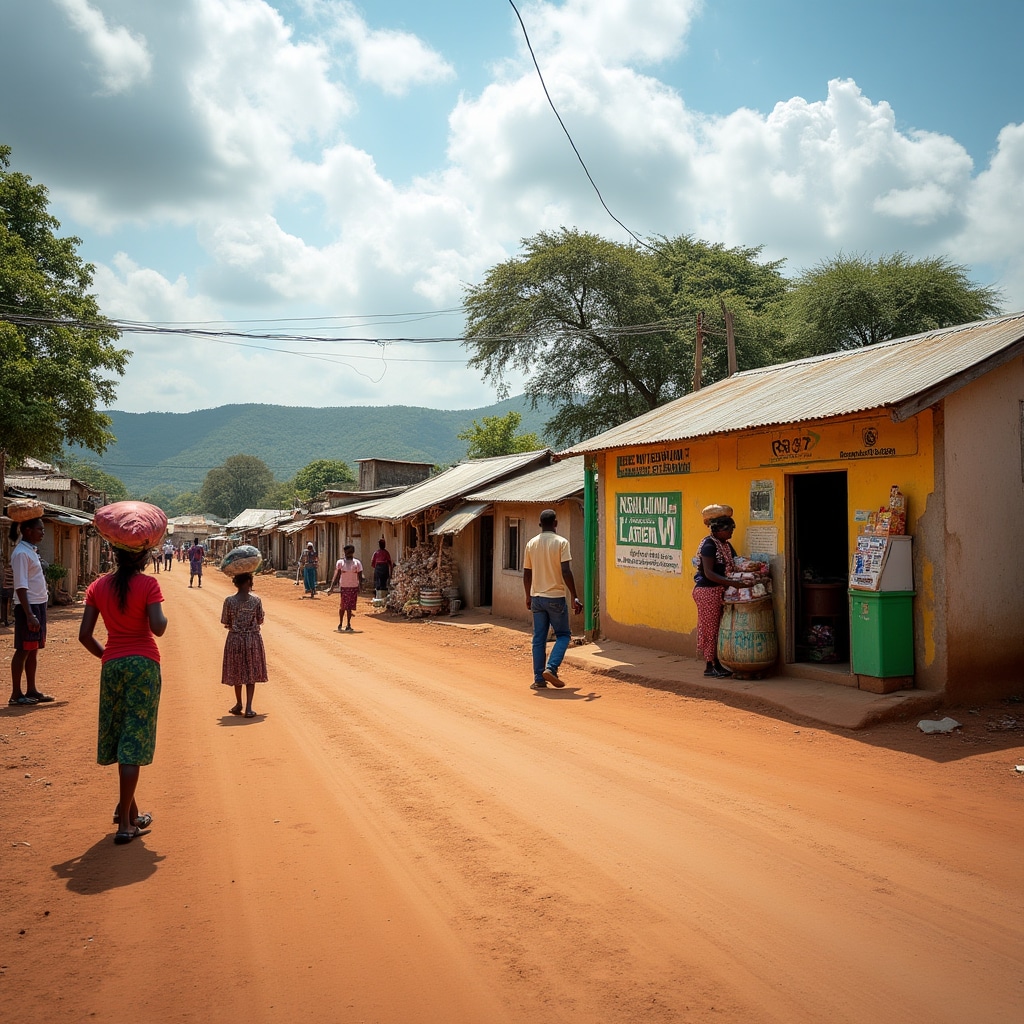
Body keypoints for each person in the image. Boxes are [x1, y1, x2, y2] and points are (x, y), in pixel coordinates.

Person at [79, 545, 167, 844]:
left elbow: (84, 635)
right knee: (134, 738)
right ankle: (125, 827)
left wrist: (109, 656)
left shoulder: (97, 586)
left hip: (112, 666)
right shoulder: (148, 584)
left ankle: (129, 812)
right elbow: (158, 628)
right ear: (143, 558)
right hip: (144, 665)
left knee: (120, 735)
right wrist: (163, 616)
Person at [523, 509, 582, 690]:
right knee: (563, 635)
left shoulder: (531, 544)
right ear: (555, 523)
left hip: (537, 598)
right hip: (556, 597)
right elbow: (566, 571)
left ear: (540, 524)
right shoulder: (561, 543)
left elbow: (527, 573)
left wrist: (528, 596)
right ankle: (551, 668)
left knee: (539, 638)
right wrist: (574, 595)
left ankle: (539, 679)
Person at [8, 517, 55, 706]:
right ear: (27, 530)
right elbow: (20, 586)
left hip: (38, 604)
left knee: (33, 649)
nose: (43, 532)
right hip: (28, 606)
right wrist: (29, 614)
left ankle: (31, 689)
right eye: (40, 529)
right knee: (23, 649)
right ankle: (16, 694)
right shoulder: (21, 553)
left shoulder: (31, 551)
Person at [692, 514, 737, 678]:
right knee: (710, 629)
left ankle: (717, 663)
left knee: (719, 628)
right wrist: (732, 582)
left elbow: (736, 561)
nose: (731, 532)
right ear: (719, 530)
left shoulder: (725, 545)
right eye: (729, 529)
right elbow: (709, 573)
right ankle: (710, 665)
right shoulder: (709, 545)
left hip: (720, 591)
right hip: (708, 592)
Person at [220, 572, 267, 718]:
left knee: (237, 671)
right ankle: (248, 707)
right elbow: (260, 619)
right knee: (251, 672)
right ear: (247, 582)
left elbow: (225, 620)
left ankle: (239, 703)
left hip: (234, 640)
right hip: (252, 640)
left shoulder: (229, 601)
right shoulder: (256, 600)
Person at [328, 544, 363, 631]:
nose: (349, 554)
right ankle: (340, 623)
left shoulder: (357, 563)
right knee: (343, 606)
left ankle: (348, 624)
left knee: (349, 607)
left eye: (350, 552)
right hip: (344, 587)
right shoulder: (340, 563)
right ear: (345, 552)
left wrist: (361, 587)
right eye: (347, 552)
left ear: (353, 552)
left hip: (353, 587)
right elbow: (336, 576)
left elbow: (360, 577)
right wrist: (332, 587)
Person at [1, 547, 14, 627]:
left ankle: (5, 619)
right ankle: (6, 620)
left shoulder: (5, 569)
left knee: (4, 603)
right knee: (8, 603)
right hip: (10, 588)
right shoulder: (12, 569)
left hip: (5, 587)